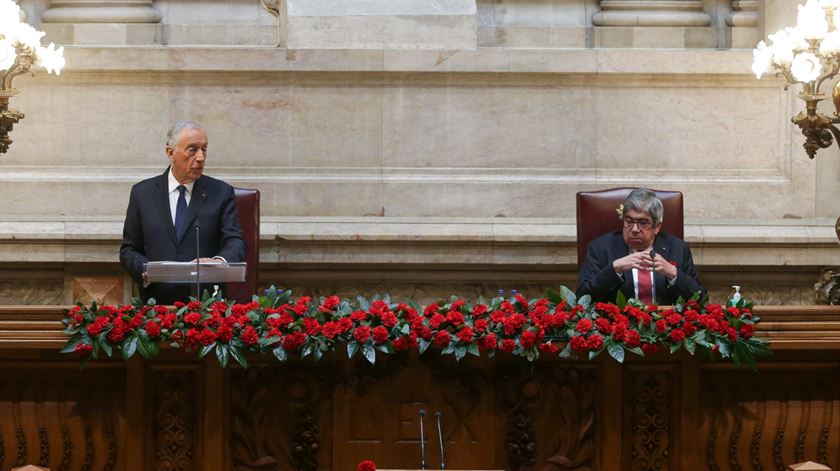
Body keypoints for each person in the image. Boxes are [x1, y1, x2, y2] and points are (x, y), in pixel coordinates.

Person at [120, 120, 246, 304]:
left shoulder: (221, 192)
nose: (201, 157)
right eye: (193, 149)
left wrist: (219, 261)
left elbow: (235, 241)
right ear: (170, 153)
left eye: (204, 149)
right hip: (156, 306)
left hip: (206, 306)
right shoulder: (143, 193)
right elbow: (129, 250)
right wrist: (145, 270)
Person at [576, 188, 705, 305]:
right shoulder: (600, 248)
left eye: (643, 223)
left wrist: (673, 273)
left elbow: (701, 299)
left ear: (657, 226)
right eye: (629, 221)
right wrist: (614, 270)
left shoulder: (678, 249)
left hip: (665, 325)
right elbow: (582, 298)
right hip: (618, 326)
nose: (634, 229)